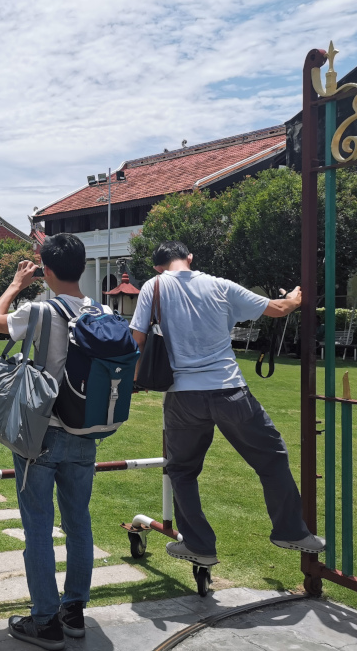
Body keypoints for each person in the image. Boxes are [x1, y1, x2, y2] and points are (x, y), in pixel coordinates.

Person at [129, 240, 325, 567]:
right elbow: (276, 309)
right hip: (229, 389)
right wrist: (293, 299)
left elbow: (137, 340)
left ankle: (199, 545)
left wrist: (135, 381)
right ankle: (290, 531)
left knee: (182, 470)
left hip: (181, 396)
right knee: (272, 457)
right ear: (190, 258)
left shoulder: (154, 286)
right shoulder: (220, 286)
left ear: (157, 266)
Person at [0, 233, 107, 651]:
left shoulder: (40, 309)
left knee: (38, 527)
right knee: (79, 523)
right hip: (85, 433)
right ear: (84, 267)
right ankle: (74, 612)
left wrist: (17, 284)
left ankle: (45, 620)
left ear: (47, 271)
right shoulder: (102, 311)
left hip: (41, 433)